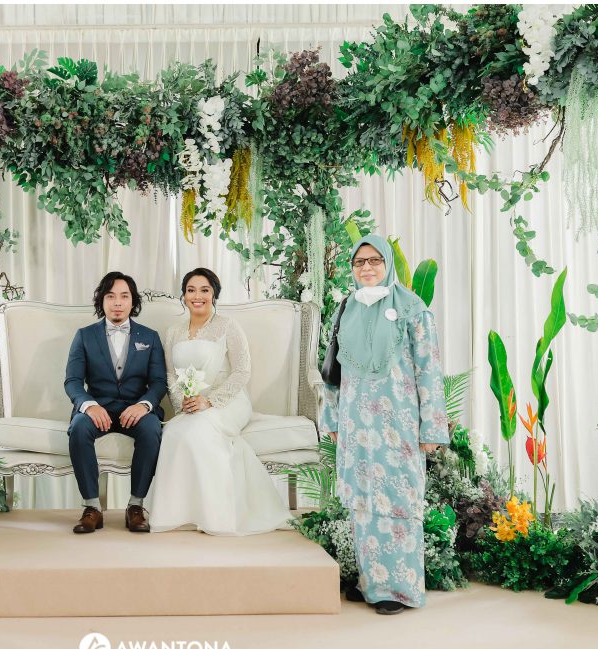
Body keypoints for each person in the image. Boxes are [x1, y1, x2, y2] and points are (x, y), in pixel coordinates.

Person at [321, 234, 449, 616]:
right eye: (359, 262)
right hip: (355, 422)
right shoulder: (347, 308)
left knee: (397, 500)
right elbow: (331, 371)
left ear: (387, 263)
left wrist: (432, 428)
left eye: (375, 260)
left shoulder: (412, 309)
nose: (367, 268)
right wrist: (332, 418)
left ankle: (400, 589)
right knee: (363, 502)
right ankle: (372, 583)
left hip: (398, 423)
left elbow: (429, 369)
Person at [147, 268, 293, 535]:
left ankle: (218, 515)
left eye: (204, 290)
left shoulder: (228, 325)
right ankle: (183, 513)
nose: (197, 296)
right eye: (191, 290)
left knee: (200, 429)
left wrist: (210, 401)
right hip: (191, 404)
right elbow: (170, 374)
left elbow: (242, 371)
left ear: (214, 294)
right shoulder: (174, 332)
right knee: (174, 431)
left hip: (228, 401)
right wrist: (182, 402)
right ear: (183, 295)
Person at [64, 272, 168, 534]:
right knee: (79, 427)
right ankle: (92, 508)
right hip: (98, 408)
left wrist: (144, 405)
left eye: (124, 296)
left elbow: (159, 382)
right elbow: (73, 381)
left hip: (136, 409)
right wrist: (89, 406)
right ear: (102, 300)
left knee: (151, 428)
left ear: (133, 301)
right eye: (111, 296)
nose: (118, 302)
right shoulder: (84, 336)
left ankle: (135, 506)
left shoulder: (150, 337)